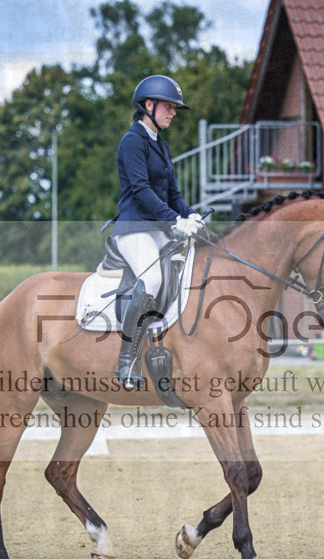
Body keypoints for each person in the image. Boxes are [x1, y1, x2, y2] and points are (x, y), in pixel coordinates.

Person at [110, 74, 205, 388]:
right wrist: (175, 221)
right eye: (169, 106)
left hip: (158, 228)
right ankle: (126, 364)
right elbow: (141, 191)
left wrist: (191, 214)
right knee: (152, 279)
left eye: (174, 108)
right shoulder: (132, 141)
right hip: (134, 228)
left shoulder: (160, 145)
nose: (173, 112)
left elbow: (173, 195)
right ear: (148, 105)